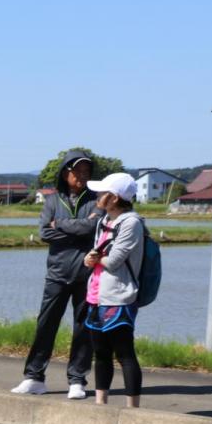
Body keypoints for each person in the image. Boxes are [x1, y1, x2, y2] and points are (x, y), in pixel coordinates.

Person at [12, 151, 99, 399]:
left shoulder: (96, 200)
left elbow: (94, 229)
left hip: (86, 274)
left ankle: (77, 380)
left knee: (83, 328)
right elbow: (44, 233)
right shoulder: (51, 200)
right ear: (65, 173)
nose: (83, 175)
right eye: (77, 171)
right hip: (57, 273)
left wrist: (59, 225)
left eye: (86, 171)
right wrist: (78, 229)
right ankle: (34, 377)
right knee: (45, 325)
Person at [81, 173, 143, 408]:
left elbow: (114, 260)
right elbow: (97, 254)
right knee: (101, 353)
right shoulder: (104, 220)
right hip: (96, 294)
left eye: (102, 193)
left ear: (114, 198)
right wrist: (91, 258)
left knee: (125, 354)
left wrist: (96, 258)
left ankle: (132, 410)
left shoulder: (131, 223)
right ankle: (100, 404)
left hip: (119, 297)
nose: (97, 196)